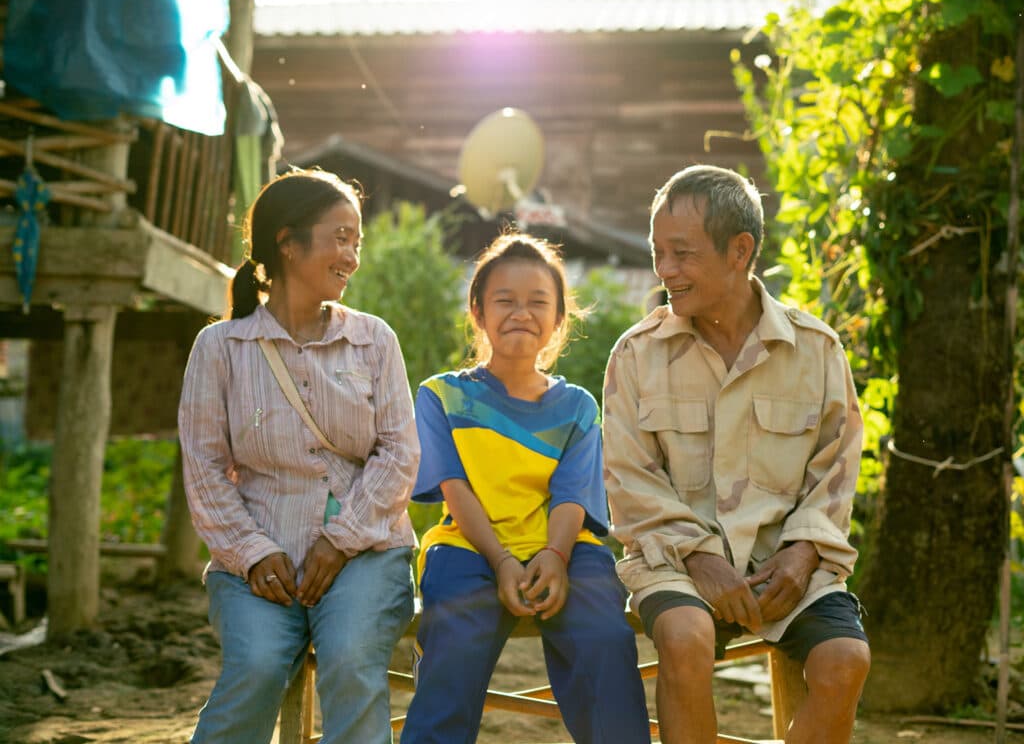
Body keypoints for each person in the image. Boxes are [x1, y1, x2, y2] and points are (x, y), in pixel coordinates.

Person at [603, 165, 871, 744]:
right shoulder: (636, 356)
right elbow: (630, 484)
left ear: (739, 250)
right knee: (684, 638)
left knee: (845, 659)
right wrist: (701, 557)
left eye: (682, 253)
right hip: (676, 564)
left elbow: (836, 471)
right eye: (658, 253)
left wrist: (803, 556)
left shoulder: (816, 350)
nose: (665, 271)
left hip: (787, 567)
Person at [178, 168, 419, 744]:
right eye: (340, 237)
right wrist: (254, 553)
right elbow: (205, 468)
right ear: (288, 243)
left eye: (356, 242)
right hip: (256, 563)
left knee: (351, 660)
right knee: (257, 667)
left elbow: (399, 452)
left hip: (366, 553)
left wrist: (341, 540)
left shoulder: (374, 340)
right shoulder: (221, 348)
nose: (352, 257)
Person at [400, 232, 651, 744]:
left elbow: (572, 497)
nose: (521, 312)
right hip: (470, 545)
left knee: (604, 637)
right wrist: (501, 561)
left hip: (565, 549)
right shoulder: (441, 395)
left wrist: (555, 556)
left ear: (559, 318)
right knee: (455, 639)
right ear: (478, 311)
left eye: (538, 302)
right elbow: (455, 488)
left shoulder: (578, 407)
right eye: (504, 301)